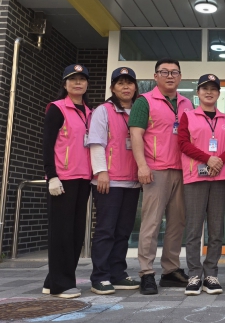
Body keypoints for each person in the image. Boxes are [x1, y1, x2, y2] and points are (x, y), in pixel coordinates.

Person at [128, 58, 193, 295]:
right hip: (155, 170)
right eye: (164, 72)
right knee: (152, 222)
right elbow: (136, 135)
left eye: (174, 72)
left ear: (180, 76)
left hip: (182, 170)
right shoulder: (144, 101)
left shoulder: (187, 103)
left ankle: (170, 270)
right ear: (155, 76)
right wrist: (142, 166)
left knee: (177, 222)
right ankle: (146, 272)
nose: (170, 76)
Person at [179, 74, 225, 295]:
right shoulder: (188, 116)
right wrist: (208, 159)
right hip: (195, 176)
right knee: (194, 229)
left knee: (216, 229)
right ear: (198, 93)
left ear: (219, 93)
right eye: (205, 89)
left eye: (213, 89)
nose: (209, 92)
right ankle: (194, 274)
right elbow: (183, 143)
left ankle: (211, 274)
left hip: (219, 177)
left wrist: (219, 160)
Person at [88, 67, 141, 295]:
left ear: (135, 87)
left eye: (129, 83)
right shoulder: (104, 110)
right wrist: (101, 171)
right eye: (120, 83)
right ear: (112, 88)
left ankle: (117, 273)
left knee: (123, 231)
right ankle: (99, 276)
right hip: (108, 181)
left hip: (132, 181)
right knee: (106, 230)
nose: (126, 87)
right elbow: (96, 142)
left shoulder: (139, 110)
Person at [42, 64, 93, 299]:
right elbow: (47, 145)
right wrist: (51, 175)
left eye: (82, 79)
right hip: (62, 179)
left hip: (83, 178)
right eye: (73, 79)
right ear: (65, 84)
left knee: (75, 232)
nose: (78, 83)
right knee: (61, 232)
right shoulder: (57, 108)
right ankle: (61, 285)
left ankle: (53, 280)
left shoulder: (90, 112)